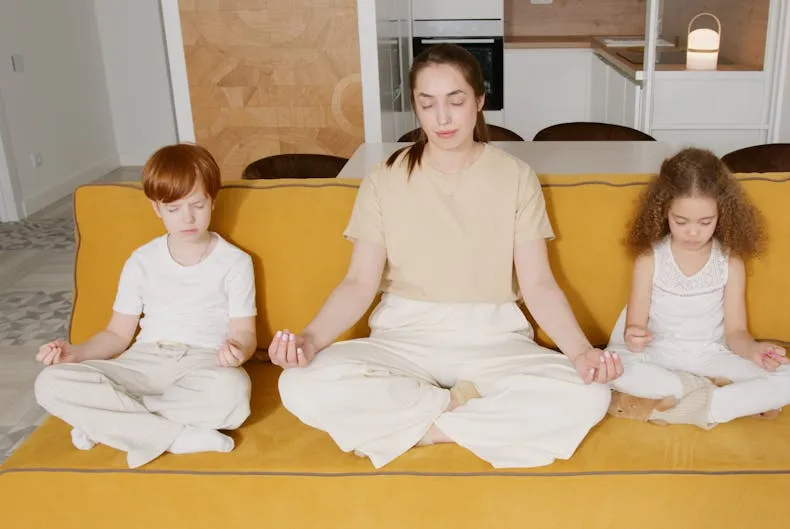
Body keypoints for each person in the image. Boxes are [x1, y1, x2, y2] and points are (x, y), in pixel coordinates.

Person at [270, 44, 616, 469]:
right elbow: (359, 283)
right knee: (297, 384)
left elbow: (538, 284)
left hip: (493, 337)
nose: (443, 118)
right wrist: (310, 339)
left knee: (590, 393)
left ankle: (422, 428)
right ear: (415, 107)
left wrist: (582, 353)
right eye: (427, 104)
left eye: (456, 101)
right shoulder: (385, 179)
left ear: (479, 101)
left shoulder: (516, 177)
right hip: (404, 336)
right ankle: (462, 415)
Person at [33, 143, 257, 469]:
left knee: (234, 391)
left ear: (213, 200)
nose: (188, 218)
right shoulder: (141, 261)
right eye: (173, 209)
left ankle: (111, 421)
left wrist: (239, 350)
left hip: (202, 363)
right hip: (141, 363)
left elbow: (244, 333)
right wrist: (75, 354)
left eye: (197, 205)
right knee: (50, 383)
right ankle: (178, 438)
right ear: (156, 209)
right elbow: (116, 334)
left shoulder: (236, 262)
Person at [605, 147, 790, 428]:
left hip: (710, 356)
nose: (692, 232)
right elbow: (633, 329)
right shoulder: (649, 260)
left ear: (722, 214)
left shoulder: (730, 264)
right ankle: (711, 397)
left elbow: (736, 333)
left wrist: (754, 351)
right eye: (681, 221)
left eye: (705, 222)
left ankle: (688, 404)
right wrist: (634, 335)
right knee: (611, 367)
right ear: (663, 212)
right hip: (659, 355)